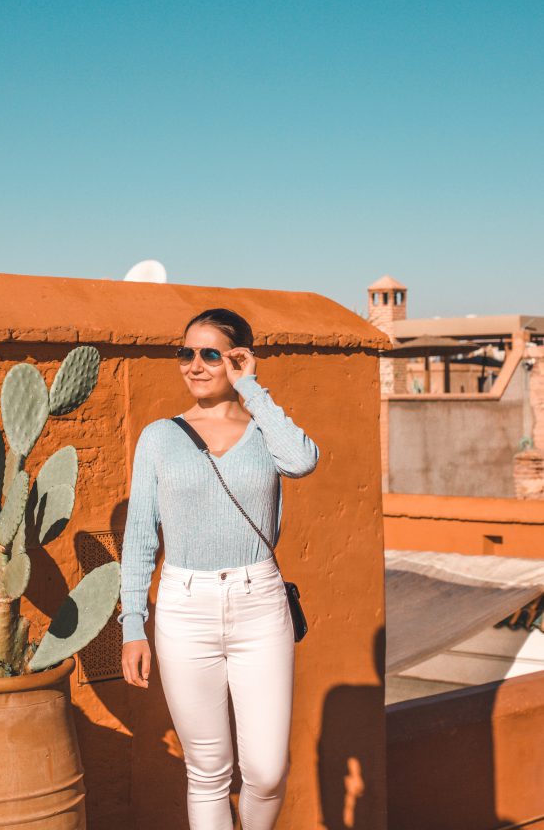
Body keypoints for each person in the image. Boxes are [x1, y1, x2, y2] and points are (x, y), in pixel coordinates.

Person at [119, 307, 319, 830]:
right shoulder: (160, 437)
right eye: (186, 353)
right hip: (186, 607)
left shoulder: (264, 432)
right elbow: (140, 535)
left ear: (238, 359)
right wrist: (132, 626)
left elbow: (301, 461)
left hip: (259, 604)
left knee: (268, 771)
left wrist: (253, 390)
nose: (195, 365)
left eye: (211, 354)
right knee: (207, 771)